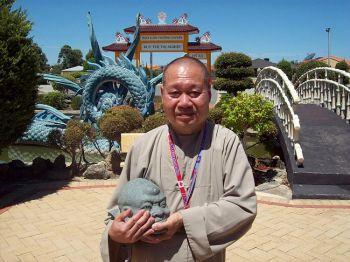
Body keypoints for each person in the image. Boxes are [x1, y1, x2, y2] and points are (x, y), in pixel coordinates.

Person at [100, 56, 257, 261]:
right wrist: (115, 235)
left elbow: (243, 205)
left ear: (209, 94)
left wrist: (183, 220)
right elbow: (115, 214)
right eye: (175, 93)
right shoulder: (144, 146)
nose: (184, 102)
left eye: (194, 92)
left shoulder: (226, 143)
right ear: (163, 95)